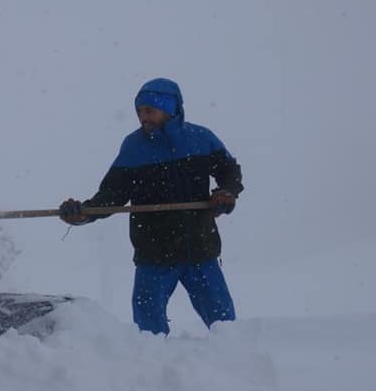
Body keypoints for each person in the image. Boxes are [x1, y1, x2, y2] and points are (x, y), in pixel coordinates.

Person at [59, 78, 243, 335]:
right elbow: (112, 194)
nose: (143, 117)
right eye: (139, 111)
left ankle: (236, 362)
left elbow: (228, 171)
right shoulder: (134, 147)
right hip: (155, 252)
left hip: (200, 248)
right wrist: (84, 214)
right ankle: (152, 368)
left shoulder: (201, 139)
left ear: (170, 108)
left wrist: (226, 193)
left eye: (149, 110)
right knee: (148, 329)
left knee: (225, 325)